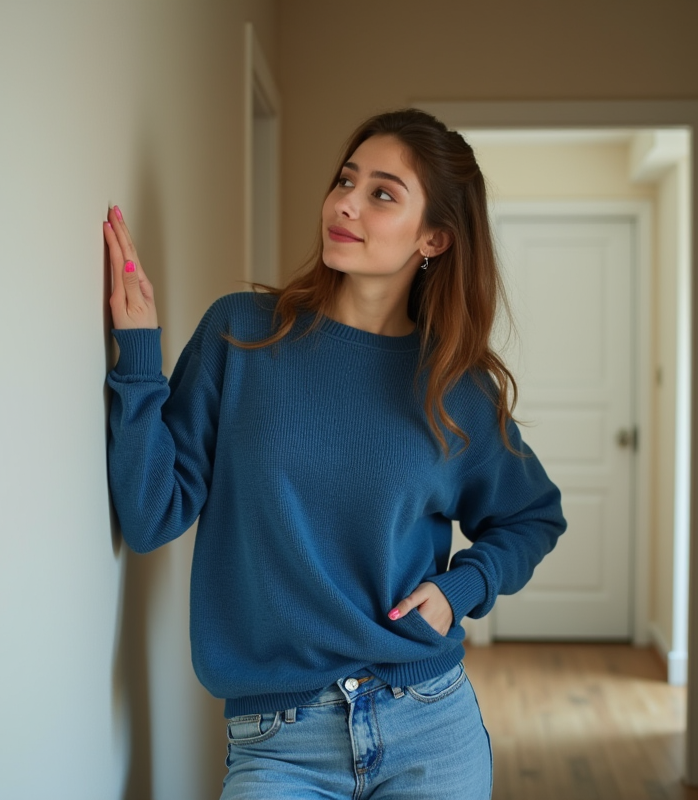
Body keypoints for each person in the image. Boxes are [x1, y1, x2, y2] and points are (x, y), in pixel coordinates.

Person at [103, 108, 566, 799]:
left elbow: (535, 517)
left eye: (382, 193)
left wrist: (457, 590)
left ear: (434, 237)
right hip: (279, 744)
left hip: (428, 729)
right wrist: (139, 356)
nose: (345, 202)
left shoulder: (455, 387)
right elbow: (150, 514)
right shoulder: (241, 334)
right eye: (345, 180)